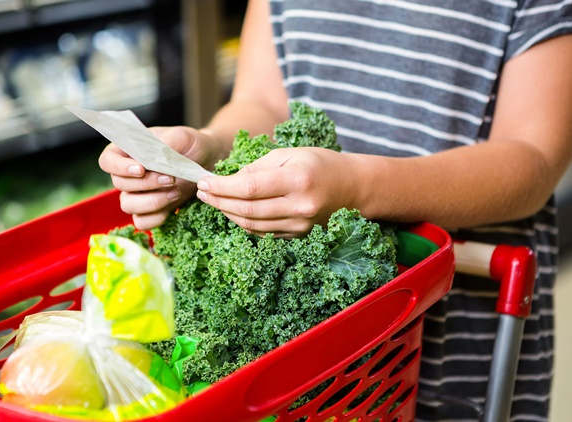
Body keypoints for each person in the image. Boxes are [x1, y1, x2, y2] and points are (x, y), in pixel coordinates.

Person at [99, 1, 572, 420]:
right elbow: (262, 102)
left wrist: (357, 187)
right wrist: (211, 148)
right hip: (310, 359)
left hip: (461, 340)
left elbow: (533, 158)